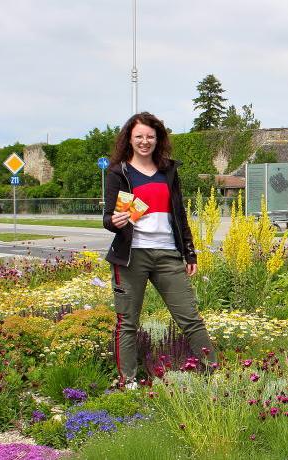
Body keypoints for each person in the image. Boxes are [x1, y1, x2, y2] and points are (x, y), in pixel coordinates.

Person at [103, 112, 217, 388]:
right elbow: (109, 218)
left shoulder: (168, 171)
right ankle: (127, 382)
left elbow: (179, 214)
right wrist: (115, 222)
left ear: (158, 139)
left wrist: (189, 252)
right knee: (127, 322)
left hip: (168, 253)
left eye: (150, 137)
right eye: (139, 136)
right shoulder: (119, 173)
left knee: (190, 318)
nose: (145, 141)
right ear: (129, 139)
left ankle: (214, 374)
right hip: (132, 255)